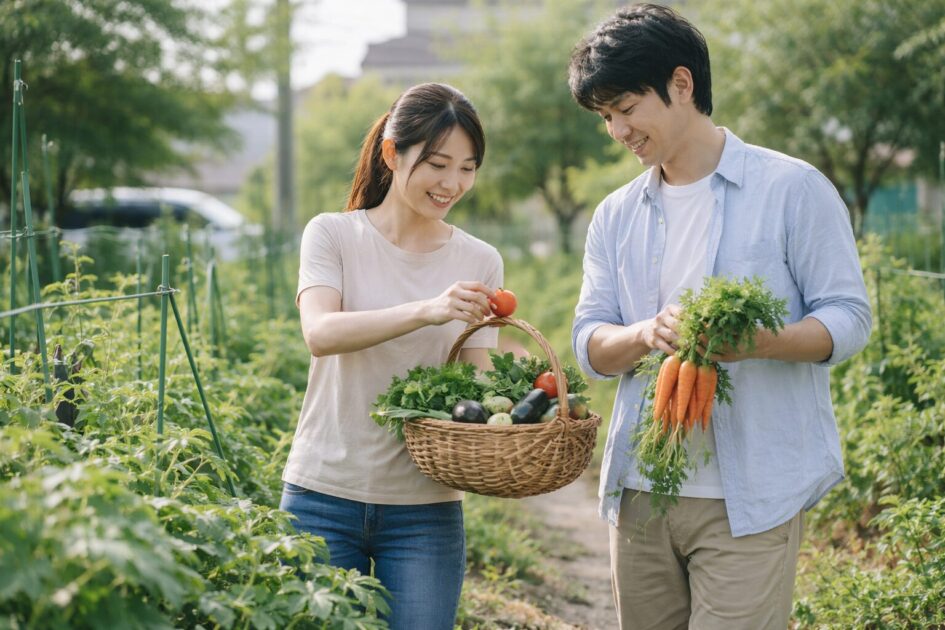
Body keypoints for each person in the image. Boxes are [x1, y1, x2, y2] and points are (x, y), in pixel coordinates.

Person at [567, 5, 872, 629]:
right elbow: (589, 343)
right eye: (605, 117)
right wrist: (644, 333)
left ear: (681, 84)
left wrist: (764, 341)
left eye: (626, 108)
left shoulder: (792, 189)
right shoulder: (615, 215)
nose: (618, 130)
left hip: (751, 497)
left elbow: (848, 318)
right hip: (642, 490)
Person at [280, 82, 503, 630]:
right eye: (437, 164)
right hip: (322, 495)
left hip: (426, 508)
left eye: (467, 168)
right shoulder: (332, 235)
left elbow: (474, 390)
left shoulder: (481, 260)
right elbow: (320, 332)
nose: (452, 184)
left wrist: (519, 408)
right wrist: (427, 310)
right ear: (391, 153)